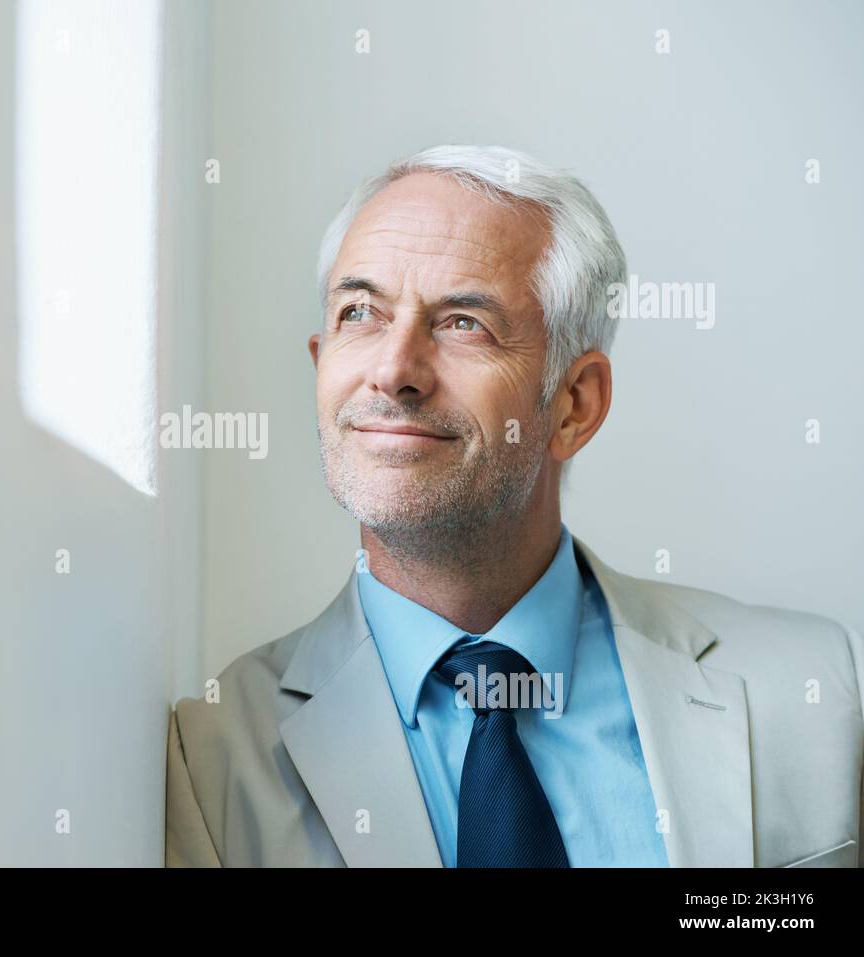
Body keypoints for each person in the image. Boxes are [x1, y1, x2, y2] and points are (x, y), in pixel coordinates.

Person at [165, 145, 863, 868]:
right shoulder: (211, 761)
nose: (393, 370)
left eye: (464, 321)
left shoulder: (816, 690)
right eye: (360, 312)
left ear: (574, 404)